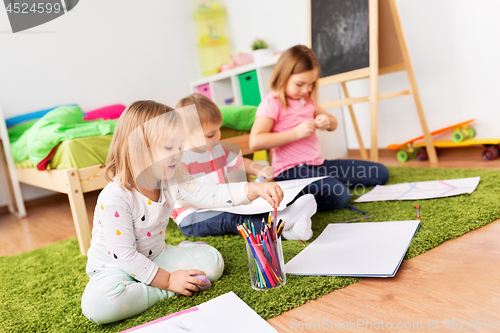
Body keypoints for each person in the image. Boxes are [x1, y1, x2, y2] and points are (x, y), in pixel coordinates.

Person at [81, 100, 284, 324]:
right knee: (98, 306)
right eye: (169, 148)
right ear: (138, 149)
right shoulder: (115, 198)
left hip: (156, 256)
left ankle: (169, 272)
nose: (178, 154)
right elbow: (126, 257)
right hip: (115, 269)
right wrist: (168, 282)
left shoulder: (167, 180)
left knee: (213, 263)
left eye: (180, 146)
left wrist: (254, 188)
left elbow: (210, 193)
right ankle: (165, 289)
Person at [249, 45, 389, 212]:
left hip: (318, 164)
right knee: (341, 196)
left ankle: (326, 183)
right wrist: (295, 133)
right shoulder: (272, 104)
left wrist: (327, 122)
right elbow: (255, 141)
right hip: (290, 171)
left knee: (380, 172)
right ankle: (300, 196)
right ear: (283, 76)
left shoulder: (308, 100)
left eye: (310, 84)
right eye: (300, 84)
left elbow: (334, 123)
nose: (306, 90)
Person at [172, 93, 317, 241]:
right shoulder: (179, 161)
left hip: (221, 205)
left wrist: (259, 169)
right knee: (233, 219)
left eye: (219, 130)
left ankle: (288, 226)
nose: (218, 137)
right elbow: (183, 199)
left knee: (248, 207)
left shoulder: (217, 150)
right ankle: (282, 227)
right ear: (186, 135)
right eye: (210, 135)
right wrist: (216, 202)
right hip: (191, 217)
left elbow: (241, 162)